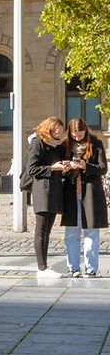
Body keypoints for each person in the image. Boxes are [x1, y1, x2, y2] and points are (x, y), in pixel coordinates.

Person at [60, 118, 107, 277]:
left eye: (80, 135)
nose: (77, 138)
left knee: (91, 232)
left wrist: (85, 166)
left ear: (85, 130)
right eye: (74, 135)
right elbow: (58, 167)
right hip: (70, 193)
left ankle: (91, 269)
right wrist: (66, 166)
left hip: (90, 193)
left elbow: (103, 169)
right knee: (71, 233)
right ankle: (73, 268)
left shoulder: (96, 144)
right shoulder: (65, 145)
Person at [27, 116, 68, 278]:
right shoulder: (38, 142)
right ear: (49, 129)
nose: (59, 134)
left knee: (47, 231)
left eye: (61, 132)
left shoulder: (55, 145)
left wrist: (63, 167)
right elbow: (32, 169)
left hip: (54, 190)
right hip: (43, 191)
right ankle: (42, 268)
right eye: (57, 131)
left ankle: (43, 267)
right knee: (41, 230)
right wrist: (52, 168)